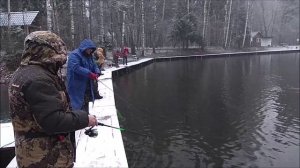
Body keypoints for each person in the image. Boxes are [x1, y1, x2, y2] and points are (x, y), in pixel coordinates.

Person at [8, 31, 98, 168]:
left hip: (32, 154)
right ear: (49, 50)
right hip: (46, 158)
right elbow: (53, 121)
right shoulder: (38, 79)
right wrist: (85, 118)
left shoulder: (23, 72)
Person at [67, 39, 101, 112]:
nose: (90, 51)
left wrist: (97, 72)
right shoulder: (74, 54)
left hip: (87, 85)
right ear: (84, 48)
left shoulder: (89, 56)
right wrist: (89, 73)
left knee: (86, 101)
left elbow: (94, 65)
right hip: (76, 85)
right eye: (89, 49)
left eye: (91, 50)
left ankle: (86, 118)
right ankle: (79, 120)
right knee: (77, 104)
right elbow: (75, 67)